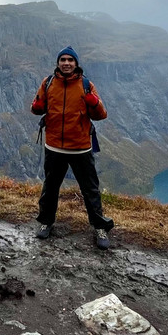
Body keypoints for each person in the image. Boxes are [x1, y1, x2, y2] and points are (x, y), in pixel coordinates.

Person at [30, 46, 115, 249]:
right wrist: (37, 107)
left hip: (80, 148)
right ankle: (46, 222)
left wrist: (93, 102)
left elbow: (101, 114)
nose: (66, 63)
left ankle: (100, 227)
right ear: (58, 63)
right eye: (63, 60)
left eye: (70, 60)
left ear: (76, 63)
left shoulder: (86, 85)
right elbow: (37, 107)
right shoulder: (48, 83)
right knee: (50, 188)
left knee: (90, 190)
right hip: (54, 147)